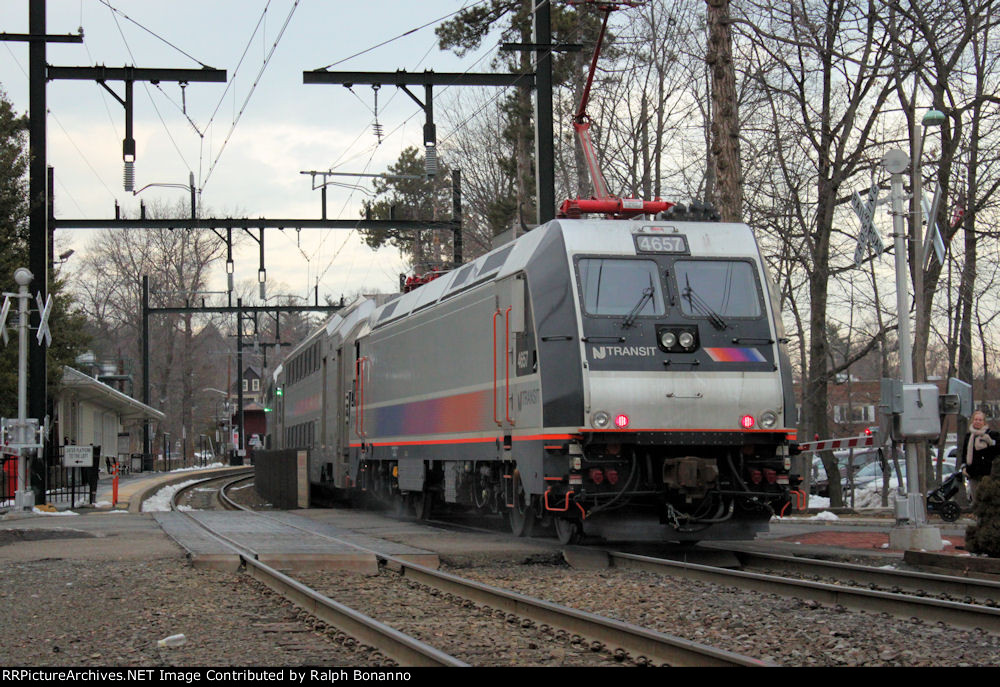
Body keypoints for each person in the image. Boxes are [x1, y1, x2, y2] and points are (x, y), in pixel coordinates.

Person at [959, 410, 1000, 504]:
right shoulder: (969, 437)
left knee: (988, 500)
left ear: (984, 422)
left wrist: (991, 442)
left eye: (980, 420)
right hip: (973, 473)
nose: (977, 421)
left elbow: (997, 450)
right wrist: (964, 467)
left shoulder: (992, 435)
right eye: (976, 419)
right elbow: (964, 453)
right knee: (976, 500)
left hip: (988, 474)